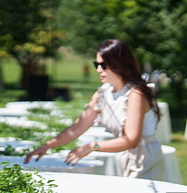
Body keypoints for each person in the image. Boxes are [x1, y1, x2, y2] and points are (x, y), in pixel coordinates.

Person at [24, 39, 166, 180]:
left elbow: (131, 140)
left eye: (103, 65)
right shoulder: (102, 93)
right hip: (123, 157)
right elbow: (77, 127)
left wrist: (92, 146)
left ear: (119, 63)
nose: (98, 70)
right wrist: (48, 145)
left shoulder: (135, 94)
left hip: (145, 159)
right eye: (96, 64)